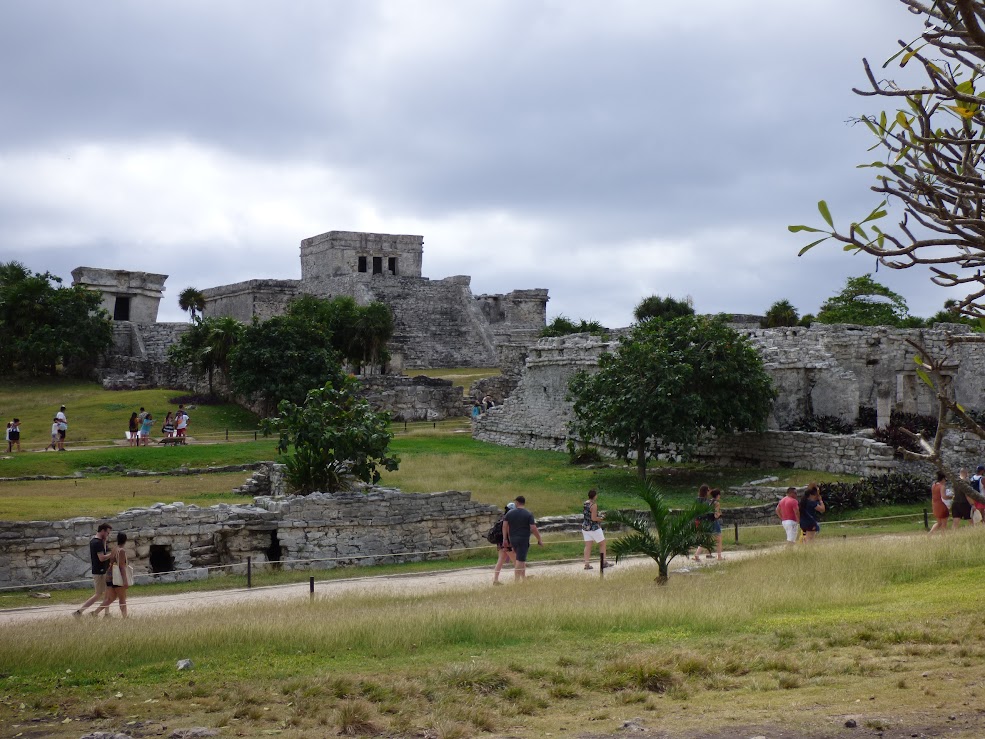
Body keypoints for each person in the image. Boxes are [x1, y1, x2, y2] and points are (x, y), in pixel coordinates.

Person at [73, 523, 112, 617]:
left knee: (107, 593)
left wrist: (105, 542)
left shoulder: (100, 541)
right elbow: (101, 558)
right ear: (102, 531)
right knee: (98, 594)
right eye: (107, 532)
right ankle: (79, 612)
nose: (108, 535)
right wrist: (113, 554)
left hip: (104, 570)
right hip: (100, 572)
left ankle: (106, 614)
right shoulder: (96, 543)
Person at [503, 495, 543, 581]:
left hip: (513, 538)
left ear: (517, 502)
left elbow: (504, 526)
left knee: (520, 557)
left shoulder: (509, 513)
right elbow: (533, 528)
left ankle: (523, 578)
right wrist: (539, 539)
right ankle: (516, 580)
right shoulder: (528, 514)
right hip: (523, 539)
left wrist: (505, 539)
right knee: (520, 560)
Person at [92, 532, 131, 618]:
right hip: (117, 577)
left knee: (110, 598)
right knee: (122, 598)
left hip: (109, 576)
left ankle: (95, 613)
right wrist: (125, 581)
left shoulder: (114, 549)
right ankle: (125, 617)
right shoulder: (121, 551)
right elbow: (121, 566)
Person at [582, 488, 612, 569]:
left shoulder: (585, 503)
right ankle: (604, 562)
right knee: (602, 543)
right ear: (595, 496)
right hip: (594, 528)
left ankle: (586, 564)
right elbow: (594, 518)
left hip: (585, 527)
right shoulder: (594, 505)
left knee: (588, 546)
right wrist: (602, 518)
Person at [492, 503, 516, 585]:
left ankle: (495, 580)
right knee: (517, 561)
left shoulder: (502, 518)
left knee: (500, 561)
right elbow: (509, 533)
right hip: (507, 543)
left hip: (500, 543)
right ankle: (519, 579)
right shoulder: (509, 519)